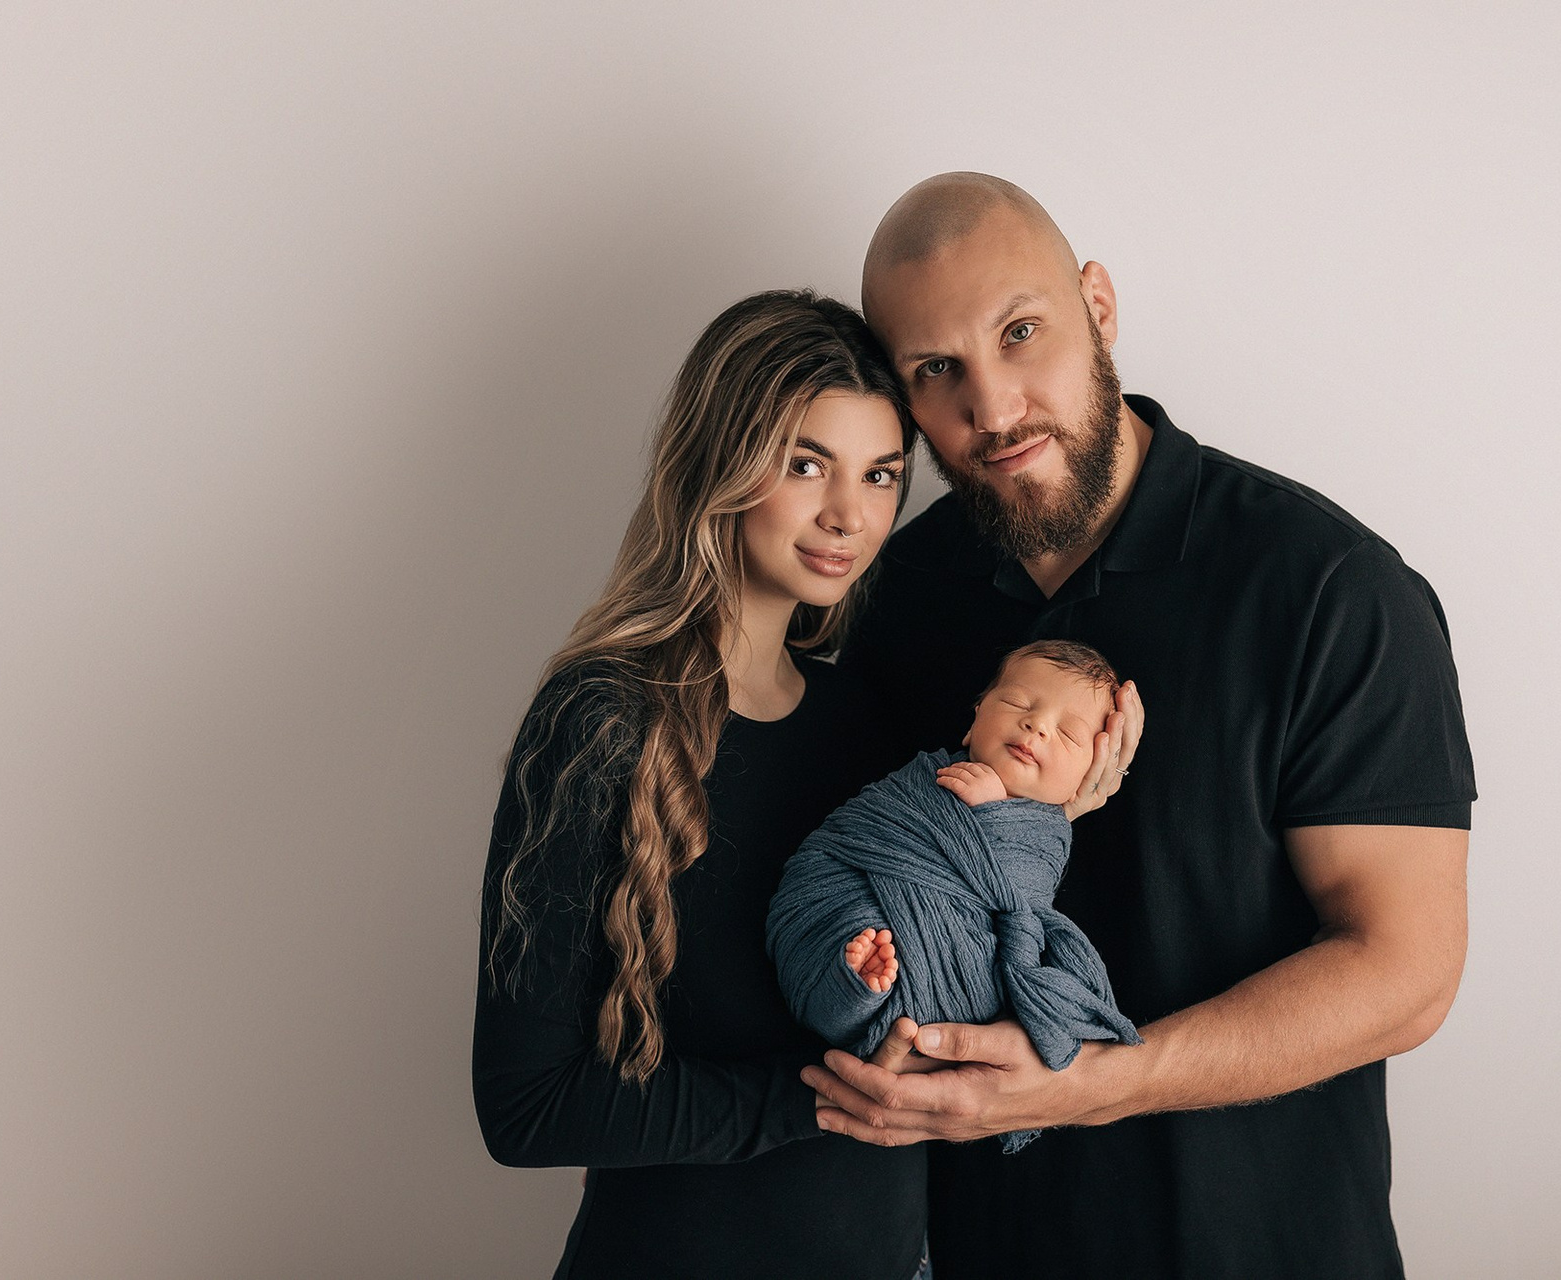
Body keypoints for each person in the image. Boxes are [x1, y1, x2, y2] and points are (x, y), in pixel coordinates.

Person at [805, 174, 1479, 1278]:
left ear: (1098, 306)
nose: (993, 407)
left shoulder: (1326, 588)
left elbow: (1406, 971)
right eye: (937, 369)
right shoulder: (890, 595)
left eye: (1020, 332)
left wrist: (1094, 1081)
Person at [472, 289, 934, 1279]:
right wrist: (816, 1099)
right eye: (805, 464)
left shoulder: (871, 721)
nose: (850, 514)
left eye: (882, 474)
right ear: (720, 462)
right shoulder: (601, 720)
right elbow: (525, 1105)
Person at [765, 640, 1143, 1152]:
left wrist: (995, 816)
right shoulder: (928, 780)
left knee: (967, 974)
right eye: (1017, 703)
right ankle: (855, 983)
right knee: (858, 951)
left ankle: (864, 985)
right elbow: (852, 834)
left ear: (1089, 777)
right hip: (843, 911)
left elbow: (1018, 901)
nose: (1036, 725)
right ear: (974, 721)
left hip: (948, 989)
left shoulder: (1048, 834)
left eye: (1068, 733)